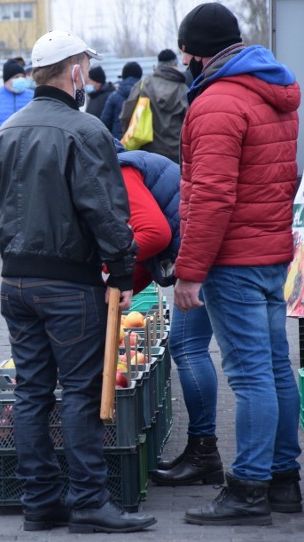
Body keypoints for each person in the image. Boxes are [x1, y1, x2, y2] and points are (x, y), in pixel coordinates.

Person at [0, 29, 155, 534]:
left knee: (32, 391)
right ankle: (88, 500)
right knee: (80, 392)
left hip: (15, 281)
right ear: (75, 71)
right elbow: (105, 210)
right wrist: (122, 273)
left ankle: (40, 500)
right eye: (83, 64)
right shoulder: (85, 130)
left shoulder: (7, 129)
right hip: (67, 285)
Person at [173, 2, 302, 526]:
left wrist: (190, 271)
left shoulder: (218, 103)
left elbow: (211, 196)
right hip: (271, 253)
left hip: (233, 260)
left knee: (250, 377)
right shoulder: (273, 90)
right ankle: (283, 481)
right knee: (275, 370)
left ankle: (248, 488)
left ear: (195, 52)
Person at [114, 147, 222, 487]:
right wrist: (120, 285)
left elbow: (154, 235)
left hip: (203, 255)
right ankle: (205, 453)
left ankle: (204, 453)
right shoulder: (127, 164)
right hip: (204, 251)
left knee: (188, 348)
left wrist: (108, 268)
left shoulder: (120, 172)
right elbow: (149, 251)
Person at [119, 49, 188, 163]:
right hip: (176, 155)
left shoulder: (143, 85)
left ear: (158, 64)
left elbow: (126, 116)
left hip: (147, 153)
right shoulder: (183, 89)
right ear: (175, 65)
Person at [100, 61, 141, 139]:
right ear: (139, 76)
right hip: (141, 142)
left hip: (119, 144)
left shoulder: (114, 96)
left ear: (123, 76)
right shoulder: (147, 95)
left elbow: (104, 123)